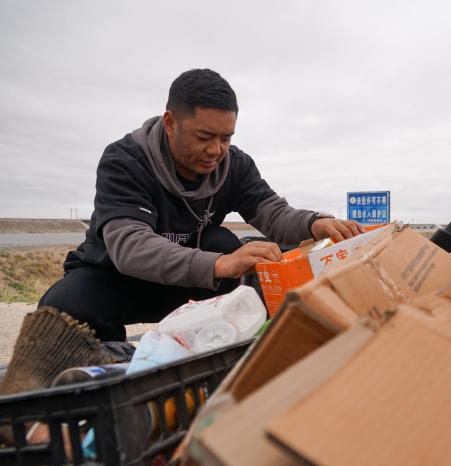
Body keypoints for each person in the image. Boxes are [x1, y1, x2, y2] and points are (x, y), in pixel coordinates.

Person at [40, 68, 363, 342]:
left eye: (226, 138)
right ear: (170, 122)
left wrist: (314, 222)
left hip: (192, 279)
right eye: (204, 136)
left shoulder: (234, 165)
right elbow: (131, 246)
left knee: (228, 245)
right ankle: (106, 377)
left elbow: (270, 211)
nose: (216, 150)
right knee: (63, 308)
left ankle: (208, 357)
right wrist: (220, 265)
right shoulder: (125, 160)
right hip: (117, 275)